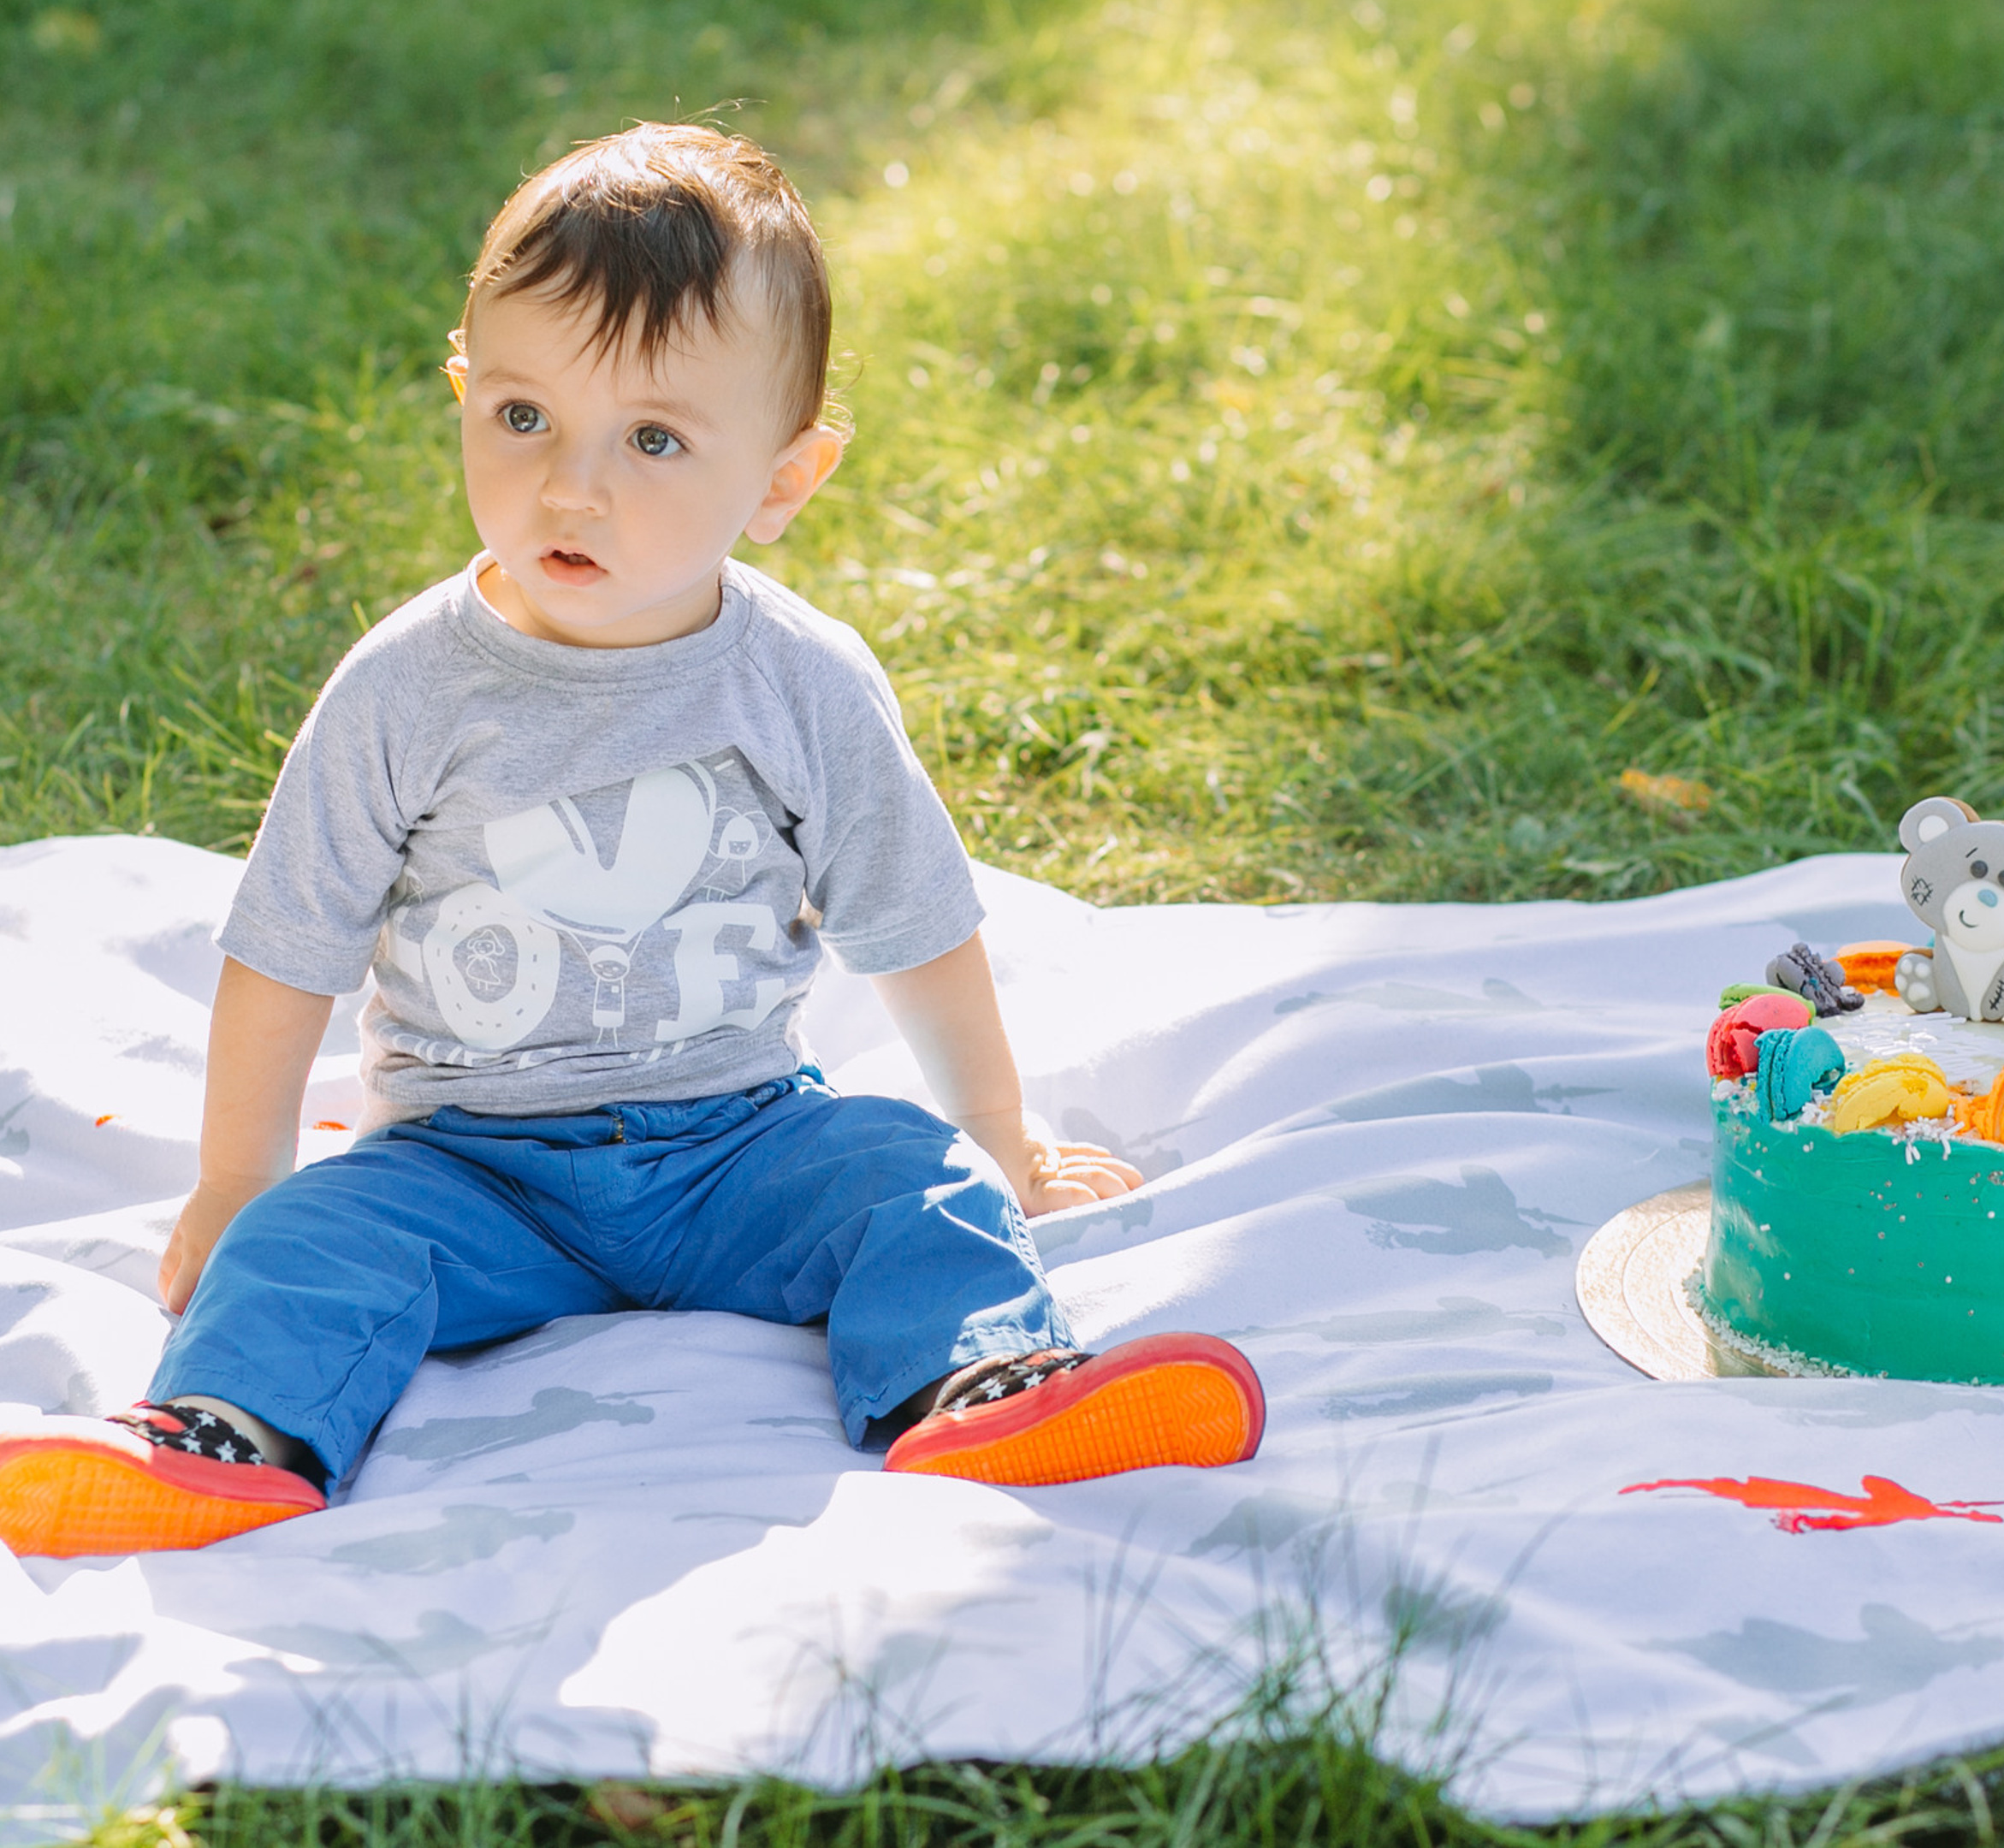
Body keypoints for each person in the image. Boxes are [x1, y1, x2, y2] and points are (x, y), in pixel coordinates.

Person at [0, 124, 1263, 1558]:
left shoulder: (799, 683)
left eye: (652, 439)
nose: (570, 488)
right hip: (468, 1165)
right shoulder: (410, 689)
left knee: (916, 1178)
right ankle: (224, 1437)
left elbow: (915, 921)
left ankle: (981, 1386)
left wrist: (1005, 1139)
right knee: (304, 1246)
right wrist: (236, 1179)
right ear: (465, 394)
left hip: (740, 1142)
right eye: (523, 417)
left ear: (784, 480)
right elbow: (287, 946)